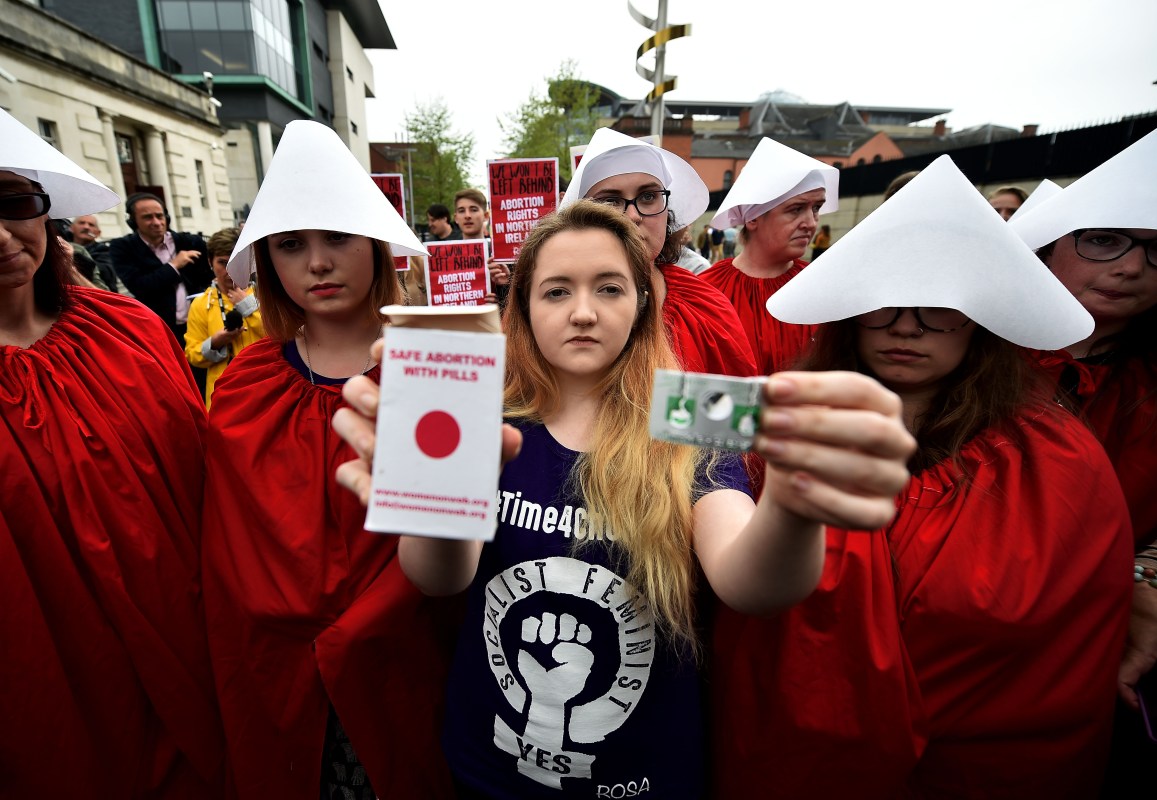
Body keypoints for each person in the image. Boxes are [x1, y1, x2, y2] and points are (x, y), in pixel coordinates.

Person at [331, 200, 916, 798]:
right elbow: (437, 579)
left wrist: (793, 503)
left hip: (644, 779)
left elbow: (750, 583)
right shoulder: (483, 417)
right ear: (523, 310)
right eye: (556, 292)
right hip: (488, 767)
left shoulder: (695, 414)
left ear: (642, 304)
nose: (583, 312)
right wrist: (429, 502)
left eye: (608, 288)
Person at [713, 156, 1132, 799]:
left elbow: (1054, 647)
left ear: (981, 319)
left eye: (940, 308)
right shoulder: (782, 417)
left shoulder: (1055, 458)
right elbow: (656, 436)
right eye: (884, 305)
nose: (907, 326)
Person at [200, 120, 451, 800]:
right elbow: (229, 546)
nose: (317, 262)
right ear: (269, 263)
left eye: (337, 237)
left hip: (408, 658)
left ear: (373, 245)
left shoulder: (436, 366)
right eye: (291, 245)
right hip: (277, 673)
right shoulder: (248, 382)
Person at [0, 109, 224, 795]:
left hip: (197, 652)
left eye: (14, 204)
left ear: (46, 210)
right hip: (63, 691)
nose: (2, 234)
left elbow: (211, 480)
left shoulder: (126, 328)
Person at [1010, 126, 1157, 794]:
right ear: (1051, 247)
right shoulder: (973, 358)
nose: (1130, 267)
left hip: (1098, 651)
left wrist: (1151, 575)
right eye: (1104, 240)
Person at [562, 127, 757, 377]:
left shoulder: (703, 304)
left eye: (648, 197)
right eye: (611, 201)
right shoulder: (549, 303)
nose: (633, 215)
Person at [701, 137, 840, 376]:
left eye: (816, 208)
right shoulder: (707, 291)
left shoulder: (823, 288)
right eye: (796, 209)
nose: (811, 222)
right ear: (753, 218)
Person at [110, 192, 212, 341]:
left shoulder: (190, 242)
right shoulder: (123, 247)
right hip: (158, 330)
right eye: (147, 217)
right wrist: (174, 265)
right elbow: (139, 286)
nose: (157, 222)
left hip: (199, 325)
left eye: (159, 216)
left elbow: (210, 276)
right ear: (133, 222)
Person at [183, 226, 265, 408]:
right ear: (210, 262)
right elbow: (192, 354)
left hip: (265, 391)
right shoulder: (200, 304)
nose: (229, 271)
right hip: (223, 398)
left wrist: (249, 306)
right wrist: (215, 342)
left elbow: (284, 337)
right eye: (222, 262)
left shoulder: (267, 296)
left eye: (236, 262)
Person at [69, 212, 121, 291]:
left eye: (91, 225)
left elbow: (107, 273)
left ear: (98, 233)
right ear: (71, 228)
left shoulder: (104, 250)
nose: (86, 227)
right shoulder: (63, 247)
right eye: (81, 223)